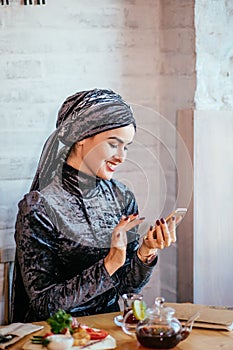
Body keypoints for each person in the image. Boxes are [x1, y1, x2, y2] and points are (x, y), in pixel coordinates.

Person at [11, 88, 176, 322]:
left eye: (126, 146)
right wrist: (109, 263)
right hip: (57, 338)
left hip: (108, 332)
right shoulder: (39, 207)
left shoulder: (122, 197)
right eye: (113, 144)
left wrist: (146, 251)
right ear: (80, 138)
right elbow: (44, 306)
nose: (122, 156)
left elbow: (127, 289)